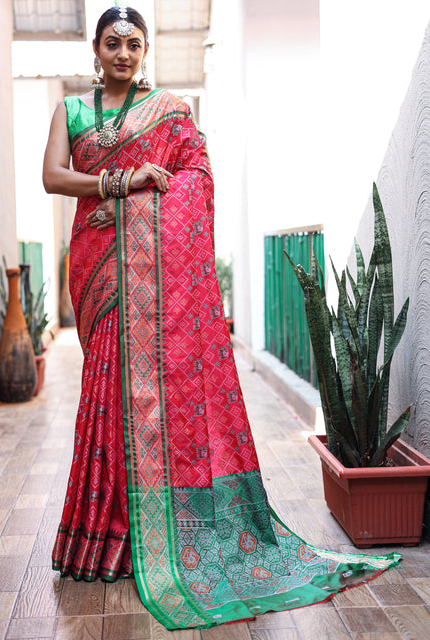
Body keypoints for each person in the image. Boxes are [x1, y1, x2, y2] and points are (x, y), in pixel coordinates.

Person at [43, 6, 400, 631]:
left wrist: (141, 199)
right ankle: (105, 535)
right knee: (107, 393)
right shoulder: (73, 111)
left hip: (152, 279)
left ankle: (154, 538)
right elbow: (53, 177)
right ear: (94, 50)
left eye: (133, 43)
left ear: (145, 49)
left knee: (148, 403)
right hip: (100, 272)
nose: (123, 53)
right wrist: (122, 185)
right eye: (111, 44)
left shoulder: (172, 112)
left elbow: (194, 178)